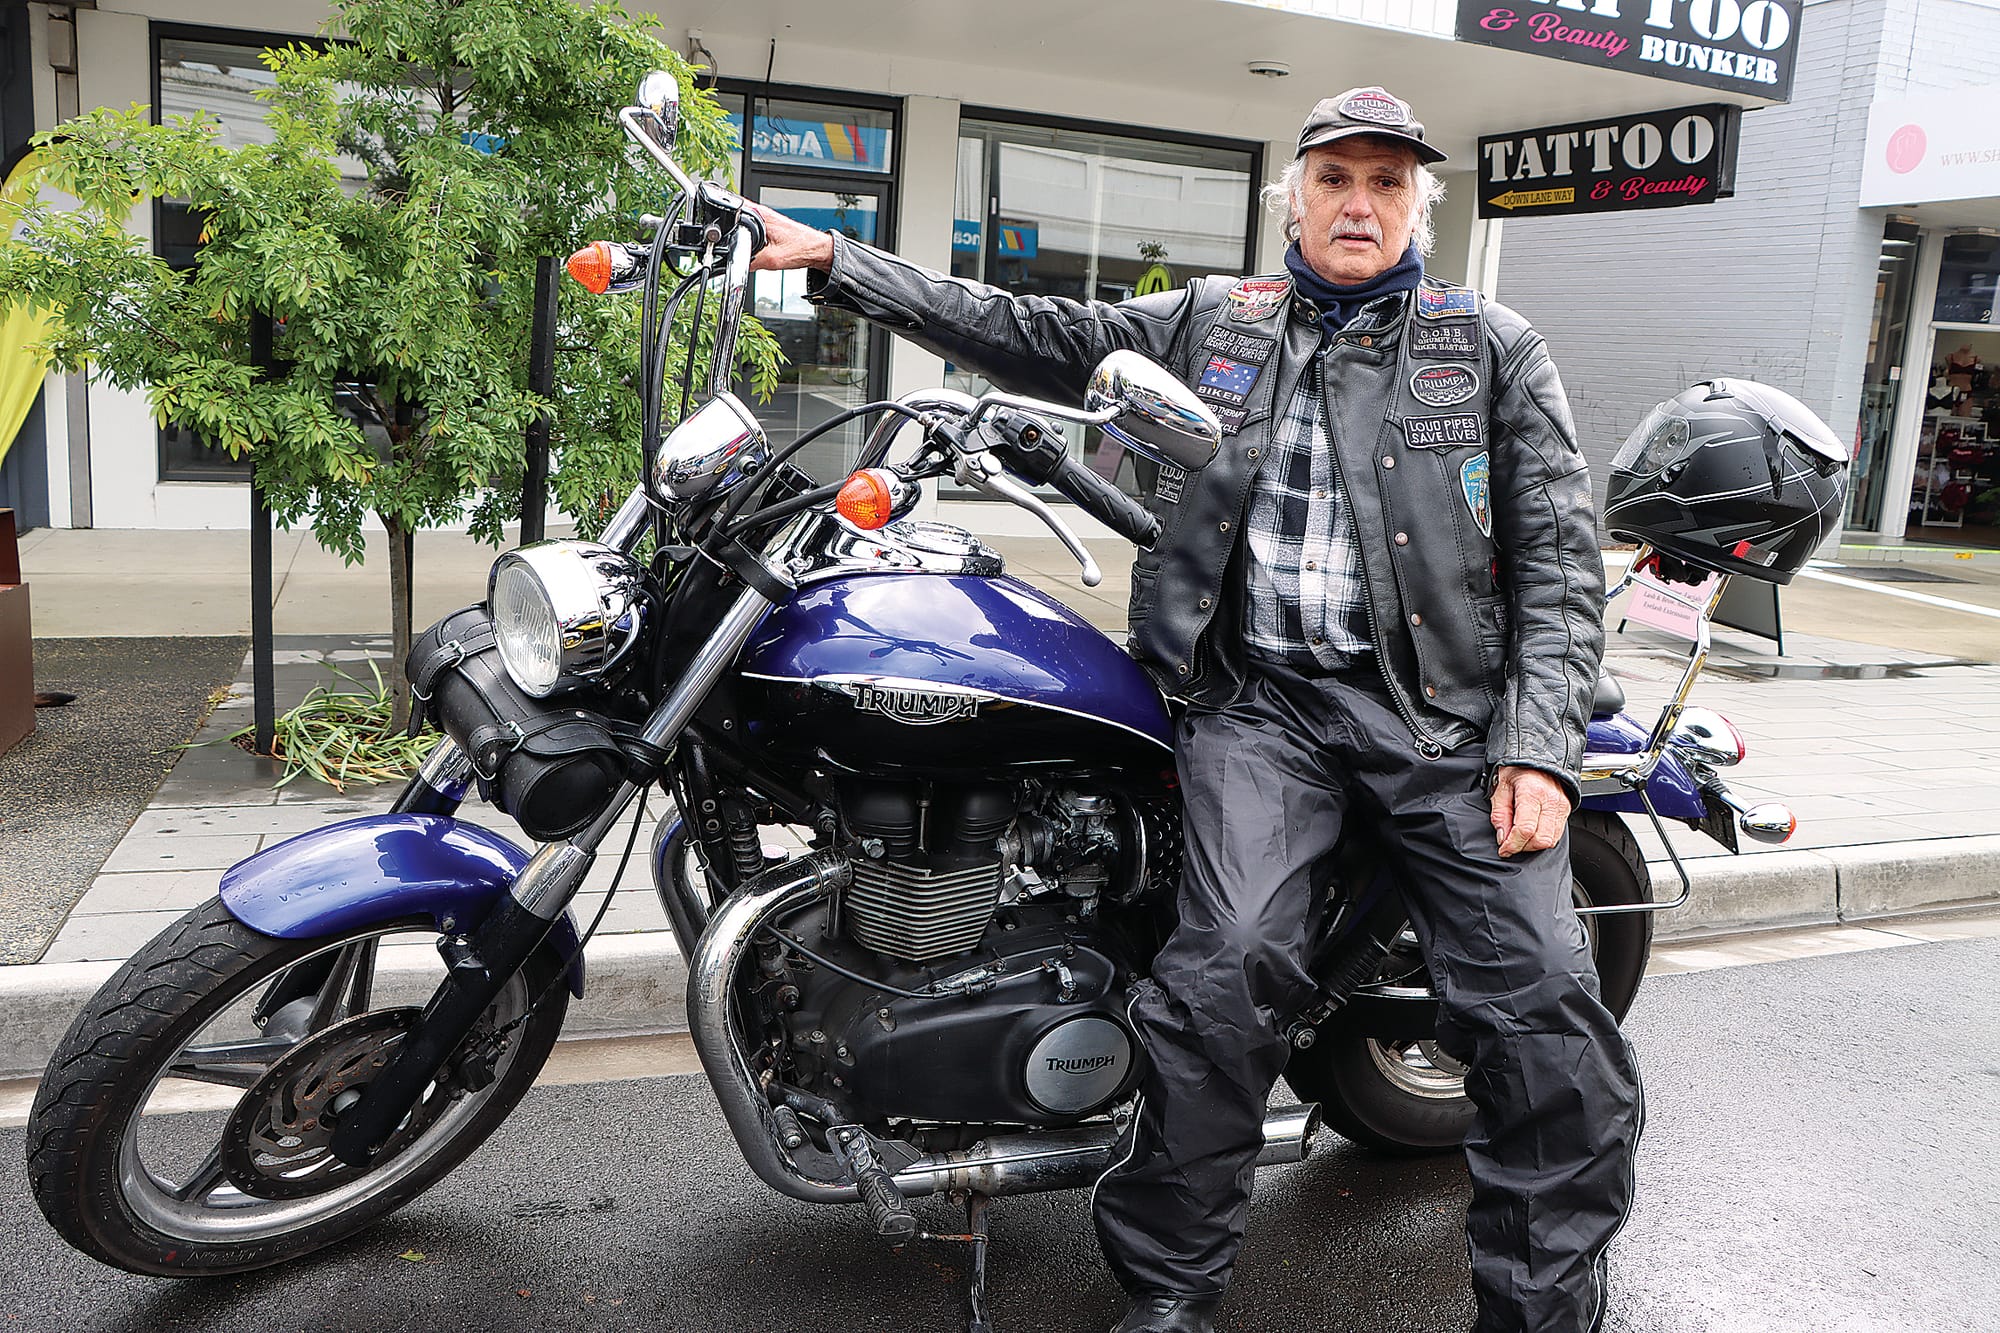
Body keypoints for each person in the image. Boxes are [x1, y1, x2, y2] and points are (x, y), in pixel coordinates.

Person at [749, 86, 1643, 1333]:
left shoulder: (1488, 343)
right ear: (1294, 197)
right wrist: (843, 261)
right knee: (1219, 974)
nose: (1359, 203)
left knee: (1541, 1004)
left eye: (1387, 184)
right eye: (1336, 179)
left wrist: (1537, 749)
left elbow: (1556, 560)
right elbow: (1030, 327)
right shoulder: (1218, 323)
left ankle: (1541, 1306)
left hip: (1442, 718)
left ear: (1415, 208)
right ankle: (1170, 1291)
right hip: (1258, 707)